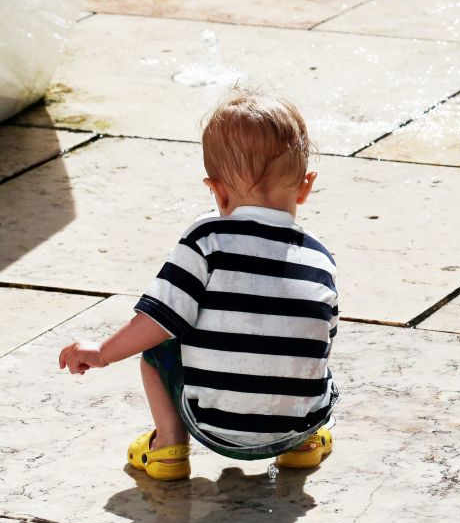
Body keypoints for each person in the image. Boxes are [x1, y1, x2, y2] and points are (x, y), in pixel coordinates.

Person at [57, 88, 339, 480]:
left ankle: (168, 446)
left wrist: (103, 352)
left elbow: (157, 320)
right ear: (306, 186)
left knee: (159, 345)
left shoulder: (207, 239)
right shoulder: (319, 256)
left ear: (217, 191)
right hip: (296, 424)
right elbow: (321, 339)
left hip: (212, 424)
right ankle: (303, 445)